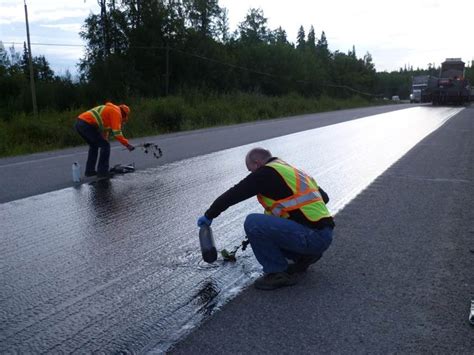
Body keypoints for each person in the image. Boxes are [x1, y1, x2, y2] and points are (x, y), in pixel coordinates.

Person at [197, 147, 335, 290]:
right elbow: (324, 198)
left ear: (257, 164)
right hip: (324, 234)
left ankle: (276, 273)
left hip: (312, 237)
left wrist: (209, 215)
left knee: (253, 223)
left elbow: (234, 193)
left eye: (250, 170)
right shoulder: (292, 171)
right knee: (265, 226)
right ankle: (304, 257)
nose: (251, 174)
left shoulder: (266, 172)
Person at [75, 102, 135, 178]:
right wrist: (127, 144)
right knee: (105, 146)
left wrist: (105, 140)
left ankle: (90, 171)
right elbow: (117, 133)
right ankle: (102, 172)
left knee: (94, 146)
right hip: (86, 125)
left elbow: (104, 130)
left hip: (80, 124)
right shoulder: (116, 113)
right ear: (124, 114)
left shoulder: (111, 110)